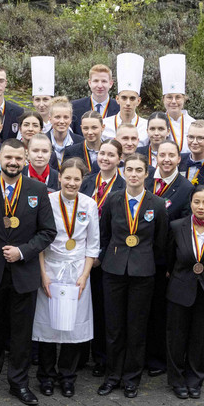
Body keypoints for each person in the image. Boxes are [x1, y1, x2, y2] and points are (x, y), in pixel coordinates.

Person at [0, 140, 57, 406]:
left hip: (24, 270)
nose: (13, 162)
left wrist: (23, 252)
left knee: (22, 332)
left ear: (26, 160)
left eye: (18, 158)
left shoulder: (37, 189)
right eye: (9, 157)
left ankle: (19, 382)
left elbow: (48, 232)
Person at [97, 153, 169, 398]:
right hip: (114, 270)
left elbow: (161, 243)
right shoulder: (113, 200)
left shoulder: (157, 205)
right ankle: (112, 375)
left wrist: (146, 262)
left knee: (136, 327)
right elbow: (104, 235)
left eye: (139, 170)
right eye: (130, 169)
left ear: (147, 174)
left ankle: (131, 378)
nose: (134, 174)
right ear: (123, 171)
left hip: (143, 273)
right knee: (114, 326)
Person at [33, 158, 99, 398]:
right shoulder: (47, 201)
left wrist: (84, 275)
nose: (71, 183)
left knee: (72, 327)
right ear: (59, 177)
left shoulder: (89, 204)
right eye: (67, 177)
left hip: (78, 272)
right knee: (48, 326)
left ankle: (67, 376)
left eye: (77, 179)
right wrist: (42, 274)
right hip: (50, 268)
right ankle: (46, 375)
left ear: (83, 181)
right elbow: (39, 240)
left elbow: (93, 244)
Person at [164, 186, 204, 399]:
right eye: (196, 202)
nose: (201, 207)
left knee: (200, 338)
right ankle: (177, 379)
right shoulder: (176, 227)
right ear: (190, 203)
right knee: (176, 336)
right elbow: (168, 259)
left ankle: (195, 379)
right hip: (180, 289)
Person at [144, 140, 194, 376]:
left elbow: (184, 230)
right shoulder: (144, 181)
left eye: (171, 155)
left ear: (178, 159)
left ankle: (157, 358)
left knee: (160, 312)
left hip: (165, 260)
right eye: (161, 154)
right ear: (155, 156)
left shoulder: (186, 188)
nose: (166, 159)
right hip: (140, 256)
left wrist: (173, 264)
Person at [79, 139, 124, 377]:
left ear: (119, 158)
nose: (105, 158)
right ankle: (78, 354)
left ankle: (101, 357)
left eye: (111, 155)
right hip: (80, 255)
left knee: (102, 309)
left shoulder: (124, 187)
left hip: (107, 257)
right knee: (81, 305)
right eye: (102, 154)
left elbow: (120, 229)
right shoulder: (86, 183)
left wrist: (100, 256)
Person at [104, 53, 147, 144]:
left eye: (132, 98)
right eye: (124, 98)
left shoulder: (146, 126)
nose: (128, 103)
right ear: (117, 99)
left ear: (138, 101)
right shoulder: (105, 125)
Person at [158, 54, 193, 153]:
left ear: (184, 99)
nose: (173, 101)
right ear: (163, 99)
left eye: (178, 97)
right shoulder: (157, 123)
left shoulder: (193, 124)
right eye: (169, 97)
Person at [72, 64, 118, 133]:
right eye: (96, 81)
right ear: (90, 83)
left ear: (110, 83)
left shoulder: (119, 108)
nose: (100, 86)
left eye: (104, 81)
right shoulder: (75, 107)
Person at [63, 110, 103, 175]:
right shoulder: (71, 152)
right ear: (81, 128)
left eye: (94, 128)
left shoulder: (110, 150)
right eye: (86, 128)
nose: (90, 132)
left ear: (102, 127)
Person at [46, 97, 82, 167]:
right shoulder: (42, 140)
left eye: (66, 117)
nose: (62, 121)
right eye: (57, 117)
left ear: (71, 119)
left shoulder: (80, 142)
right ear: (50, 119)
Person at [30, 56, 55, 133]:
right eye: (37, 100)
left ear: (52, 100)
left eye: (45, 99)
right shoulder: (28, 125)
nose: (41, 104)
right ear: (33, 101)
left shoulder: (58, 124)